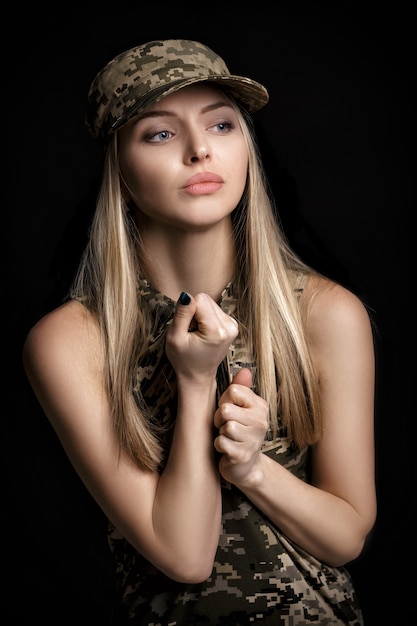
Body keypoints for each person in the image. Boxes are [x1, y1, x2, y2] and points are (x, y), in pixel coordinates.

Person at [22, 39, 377, 625]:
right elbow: (184, 555)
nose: (199, 151)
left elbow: (347, 538)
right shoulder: (72, 341)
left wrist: (252, 470)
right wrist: (193, 385)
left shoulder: (322, 312)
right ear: (120, 166)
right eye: (160, 133)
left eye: (221, 125)